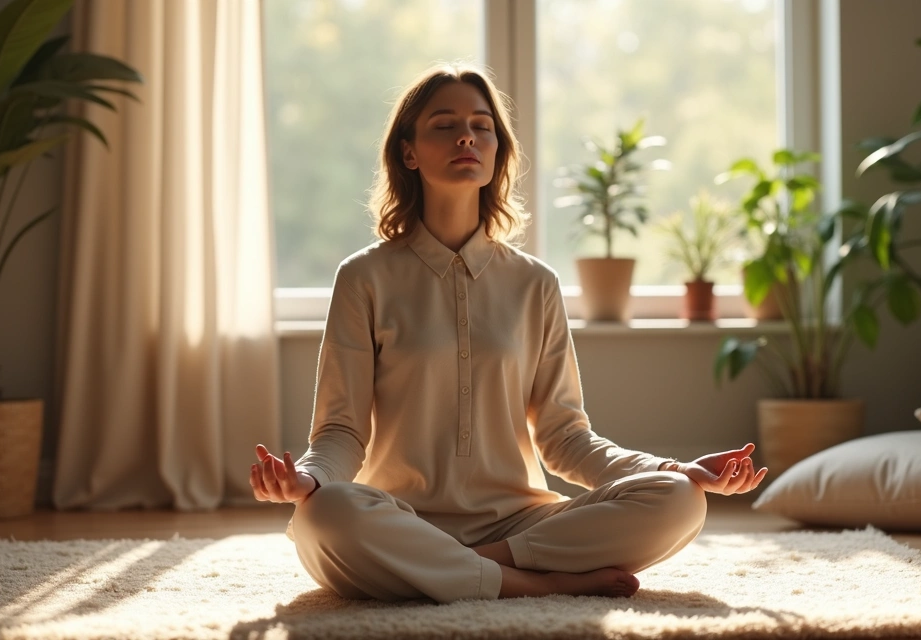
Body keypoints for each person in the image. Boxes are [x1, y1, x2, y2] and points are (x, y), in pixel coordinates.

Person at [249, 62, 767, 605]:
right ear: (409, 152)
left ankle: (458, 571)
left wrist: (671, 469)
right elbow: (341, 431)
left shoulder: (535, 283)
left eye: (482, 125)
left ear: (497, 149)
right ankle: (533, 584)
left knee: (681, 500)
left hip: (519, 529)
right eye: (444, 125)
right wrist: (307, 480)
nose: (467, 136)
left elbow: (566, 440)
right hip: (396, 517)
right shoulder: (363, 277)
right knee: (325, 515)